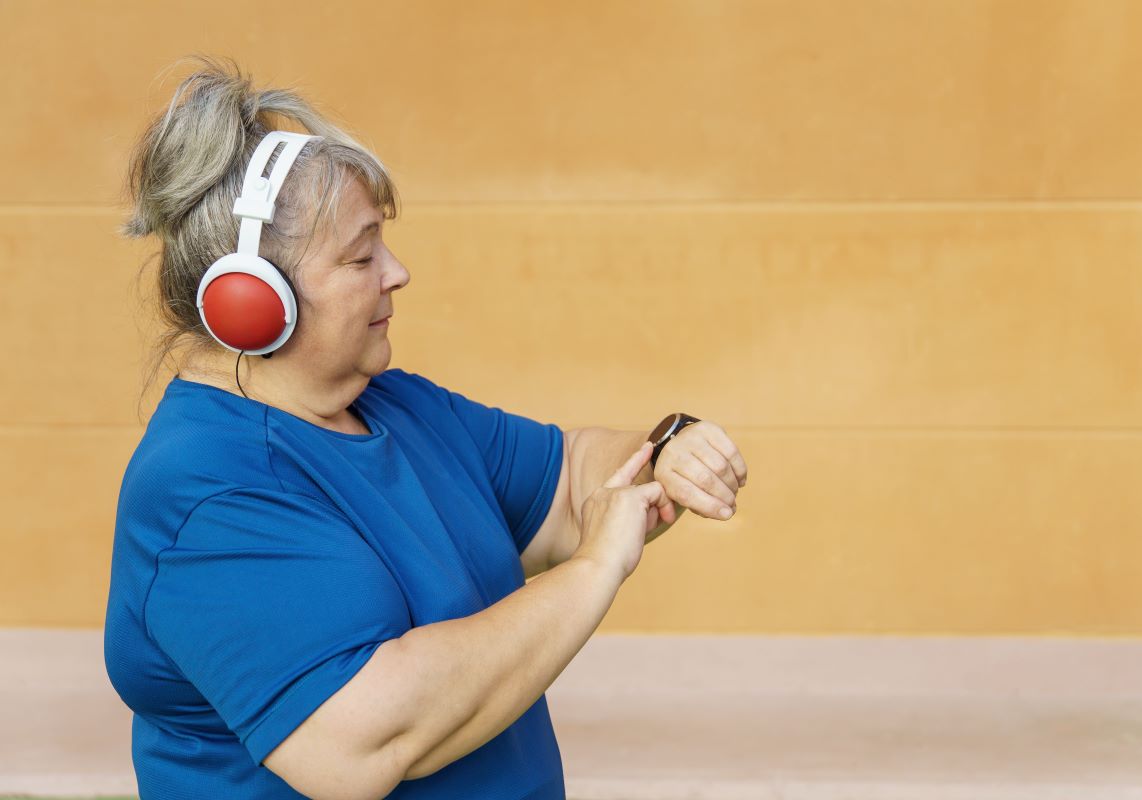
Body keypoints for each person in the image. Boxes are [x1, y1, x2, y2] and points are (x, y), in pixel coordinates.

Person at [103, 56, 748, 800]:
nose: (397, 272)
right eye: (360, 255)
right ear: (252, 300)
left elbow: (573, 480)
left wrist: (667, 448)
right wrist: (594, 570)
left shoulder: (398, 407)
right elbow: (363, 742)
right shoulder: (205, 491)